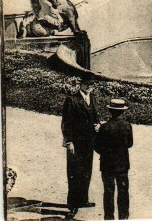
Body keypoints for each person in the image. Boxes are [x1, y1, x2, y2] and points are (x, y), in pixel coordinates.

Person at [61, 75, 100, 218]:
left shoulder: (93, 98)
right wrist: (69, 142)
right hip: (76, 142)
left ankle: (83, 199)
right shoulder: (71, 100)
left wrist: (98, 124)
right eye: (86, 84)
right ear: (80, 84)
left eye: (91, 84)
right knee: (74, 172)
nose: (89, 87)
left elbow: (95, 116)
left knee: (86, 170)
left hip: (89, 142)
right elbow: (67, 123)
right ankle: (72, 204)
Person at [94, 99, 134, 220]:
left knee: (108, 191)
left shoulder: (104, 127)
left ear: (110, 111)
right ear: (123, 112)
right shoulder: (127, 126)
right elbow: (130, 144)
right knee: (123, 190)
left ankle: (109, 217)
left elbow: (97, 147)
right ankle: (124, 216)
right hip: (122, 163)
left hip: (107, 164)